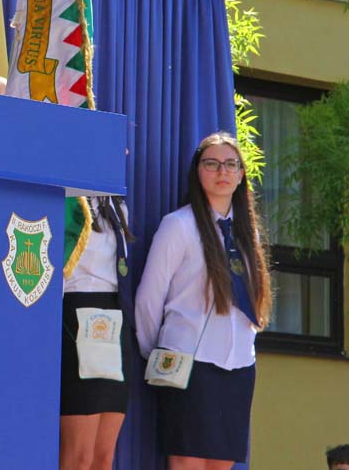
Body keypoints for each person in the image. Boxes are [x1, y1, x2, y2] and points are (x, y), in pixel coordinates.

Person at [135, 131, 272, 470]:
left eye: (230, 164)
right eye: (212, 164)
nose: (222, 172)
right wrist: (155, 353)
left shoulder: (247, 232)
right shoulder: (178, 226)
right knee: (187, 461)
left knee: (222, 463)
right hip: (189, 363)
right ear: (198, 171)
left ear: (241, 175)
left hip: (239, 366)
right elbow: (149, 298)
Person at [59, 195, 135, 470]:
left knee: (103, 457)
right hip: (77, 314)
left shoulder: (116, 205)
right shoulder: (67, 202)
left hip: (114, 317)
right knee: (79, 456)